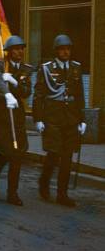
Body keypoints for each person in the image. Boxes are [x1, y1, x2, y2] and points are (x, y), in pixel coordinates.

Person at [33, 34, 86, 207]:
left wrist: (82, 119)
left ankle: (62, 193)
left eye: (68, 49)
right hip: (52, 117)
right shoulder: (46, 68)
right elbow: (39, 95)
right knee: (54, 154)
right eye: (63, 49)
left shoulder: (76, 68)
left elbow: (79, 96)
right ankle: (44, 182)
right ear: (56, 51)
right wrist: (38, 119)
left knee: (68, 156)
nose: (66, 52)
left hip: (71, 117)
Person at [0, 36, 32, 206]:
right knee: (5, 152)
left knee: (17, 153)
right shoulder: (0, 64)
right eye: (16, 49)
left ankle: (12, 193)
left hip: (17, 112)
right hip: (2, 112)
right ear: (8, 51)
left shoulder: (26, 69)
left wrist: (13, 81)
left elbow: (26, 92)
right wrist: (6, 92)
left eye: (21, 49)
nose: (19, 52)